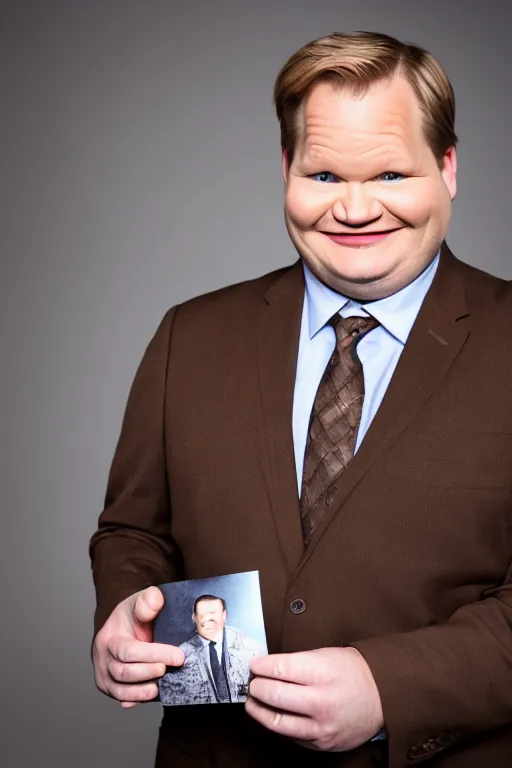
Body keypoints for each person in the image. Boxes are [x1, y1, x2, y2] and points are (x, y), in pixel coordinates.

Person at [90, 30, 512, 768]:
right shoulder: (190, 336)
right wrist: (128, 610)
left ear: (447, 168)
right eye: (323, 176)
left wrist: (391, 687)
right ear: (287, 169)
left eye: (388, 174)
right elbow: (133, 532)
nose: (354, 210)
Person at [158, 594, 264, 705]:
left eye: (212, 614)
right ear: (194, 618)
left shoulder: (249, 648)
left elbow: (261, 687)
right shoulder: (181, 656)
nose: (206, 620)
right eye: (201, 615)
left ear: (224, 615)